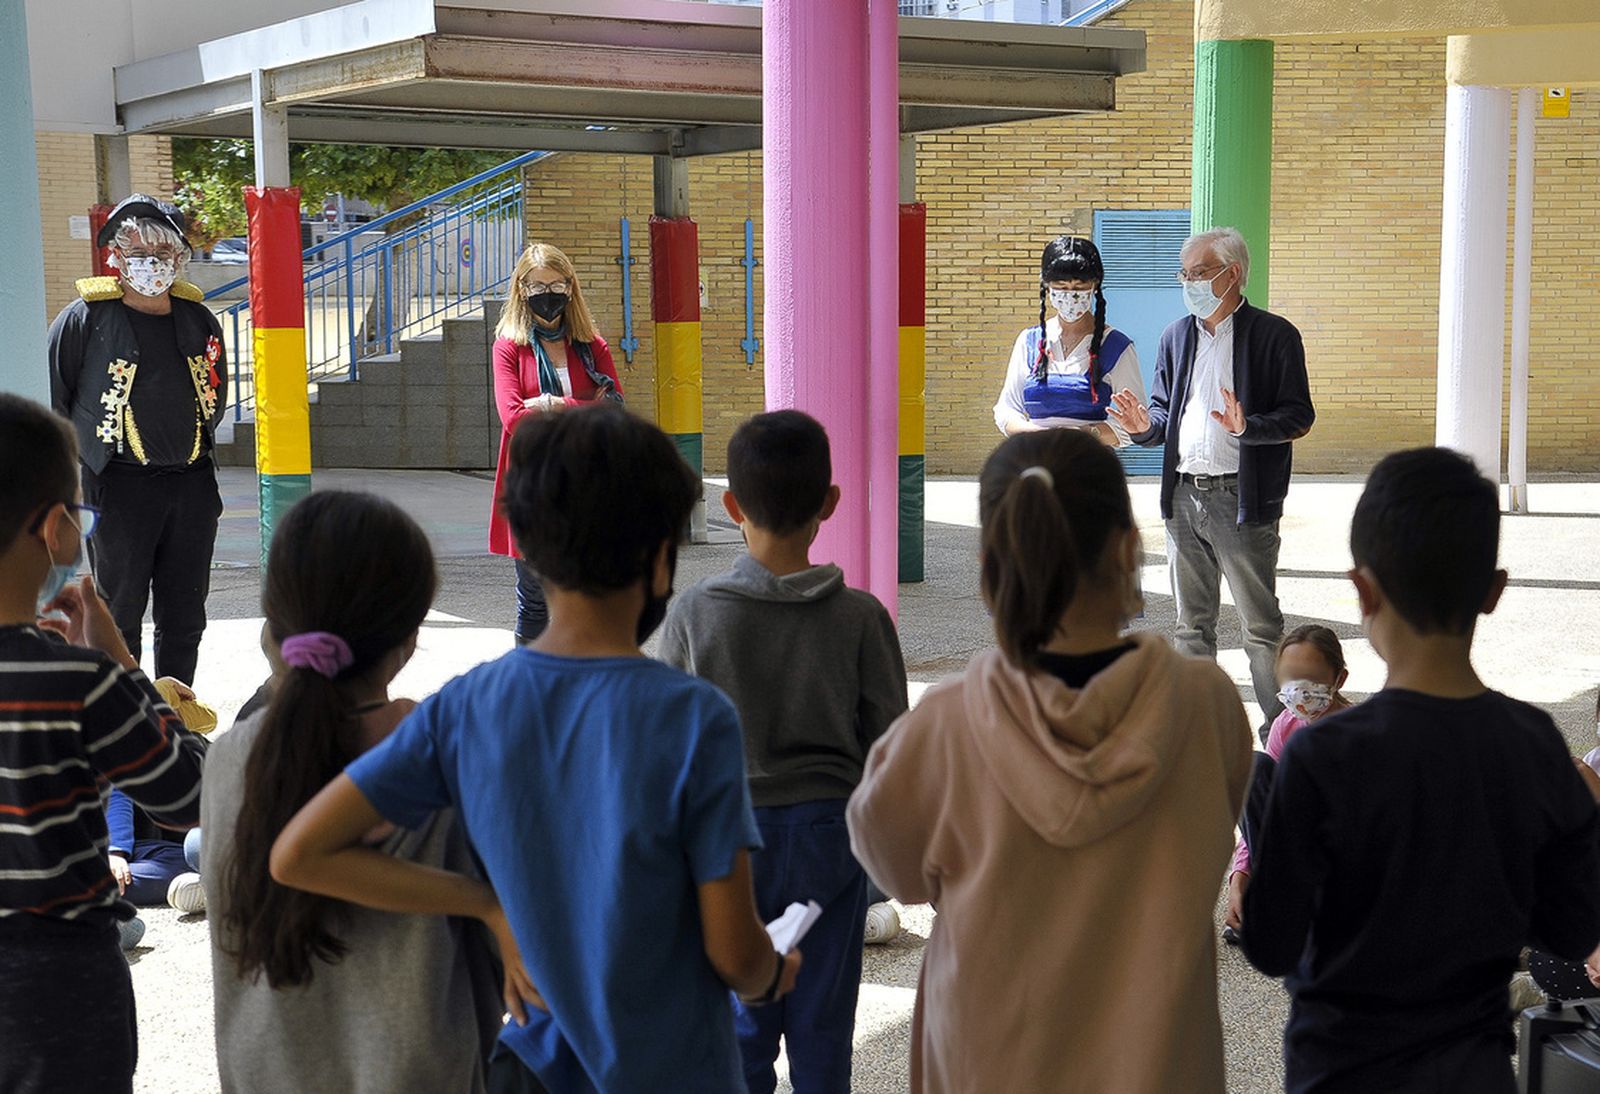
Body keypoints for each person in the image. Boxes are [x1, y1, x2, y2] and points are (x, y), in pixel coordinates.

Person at [270, 406, 799, 1093]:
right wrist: (771, 974)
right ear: (661, 556)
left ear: (526, 545)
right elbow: (733, 952)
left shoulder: (466, 705)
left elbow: (299, 853)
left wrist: (484, 903)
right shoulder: (695, 717)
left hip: (531, 1068)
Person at [848, 428, 1252, 1094]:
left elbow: (893, 869)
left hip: (987, 1061)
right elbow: (1215, 828)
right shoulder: (1206, 707)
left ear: (988, 564)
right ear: (1127, 547)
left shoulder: (944, 726)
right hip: (1159, 1065)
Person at [1241, 447, 1600, 1094]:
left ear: (1362, 590)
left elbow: (1270, 946)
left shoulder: (1322, 755)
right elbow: (1572, 929)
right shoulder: (1536, 745)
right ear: (1493, 591)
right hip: (1474, 1071)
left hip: (1338, 1070)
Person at [201, 491, 503, 1094]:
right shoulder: (446, 763)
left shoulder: (229, 759)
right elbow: (495, 969)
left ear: (274, 631)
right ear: (410, 636)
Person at [657, 410, 908, 1094]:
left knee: (739, 1020)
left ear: (732, 504)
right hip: (831, 838)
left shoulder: (695, 614)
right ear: (829, 503)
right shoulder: (860, 617)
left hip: (725, 841)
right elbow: (891, 745)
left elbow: (670, 748)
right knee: (825, 1029)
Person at [0, 394, 204, 1094]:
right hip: (59, 988)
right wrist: (120, 662)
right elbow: (191, 793)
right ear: (58, 531)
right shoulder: (80, 681)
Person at [1108, 227, 1313, 727]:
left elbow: (1298, 415)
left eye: (1199, 273)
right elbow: (1162, 415)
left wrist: (1249, 427)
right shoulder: (1176, 336)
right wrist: (1142, 428)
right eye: (1185, 274)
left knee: (1260, 627)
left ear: (1232, 274)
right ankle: (1198, 734)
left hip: (1240, 500)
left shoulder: (1274, 335)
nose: (1189, 283)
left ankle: (1280, 733)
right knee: (1190, 628)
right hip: (1183, 497)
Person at [47, 193, 228, 686]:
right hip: (118, 487)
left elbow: (216, 391)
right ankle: (121, 716)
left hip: (191, 486)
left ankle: (180, 712)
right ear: (116, 259)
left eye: (163, 252)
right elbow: (56, 404)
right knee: (118, 612)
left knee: (186, 613)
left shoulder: (198, 319)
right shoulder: (84, 319)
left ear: (179, 258)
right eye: (139, 252)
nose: (152, 263)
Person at [490, 242, 623, 644]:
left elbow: (615, 410)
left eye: (556, 283)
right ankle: (532, 692)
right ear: (521, 290)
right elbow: (513, 416)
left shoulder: (591, 346)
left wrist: (552, 403)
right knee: (534, 600)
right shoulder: (509, 348)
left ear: (570, 287)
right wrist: (584, 406)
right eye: (536, 285)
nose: (547, 293)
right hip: (535, 487)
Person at [1223, 624, 1351, 942]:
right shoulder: (1286, 725)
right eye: (1291, 679)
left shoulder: (1359, 733)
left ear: (1339, 680)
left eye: (1312, 680)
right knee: (1253, 766)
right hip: (1292, 854)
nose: (1300, 692)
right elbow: (1261, 814)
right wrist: (1239, 876)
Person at [994, 235, 1146, 447]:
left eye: (1079, 286)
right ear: (1047, 287)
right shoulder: (1028, 341)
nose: (1070, 295)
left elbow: (1133, 425)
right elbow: (1006, 410)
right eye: (1061, 286)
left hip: (1089, 467)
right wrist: (1039, 436)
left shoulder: (1117, 346)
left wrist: (1082, 434)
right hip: (1036, 461)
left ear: (1095, 286)